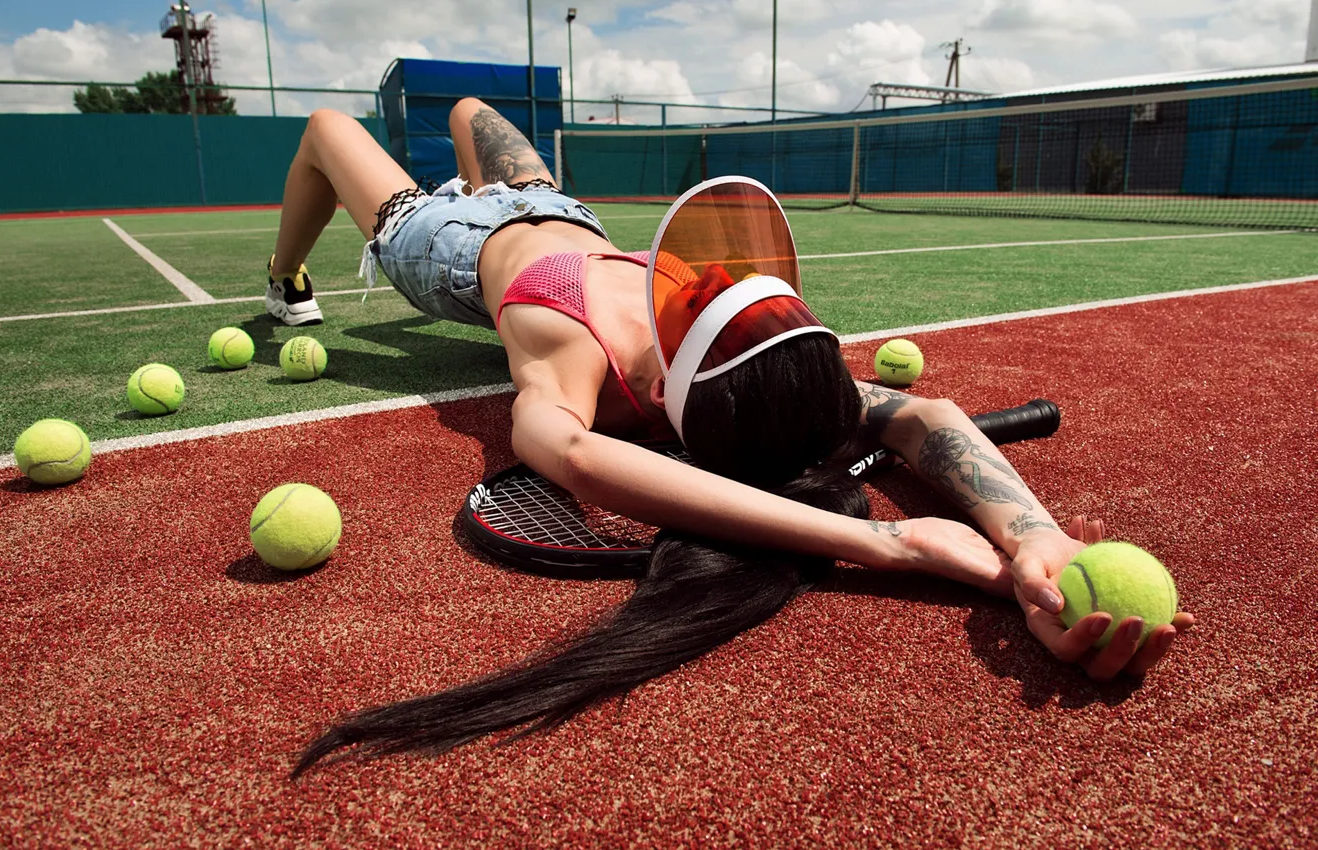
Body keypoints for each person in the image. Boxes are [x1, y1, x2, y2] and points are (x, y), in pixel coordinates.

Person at [268, 100, 1194, 775]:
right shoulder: (753, 363)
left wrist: (888, 543)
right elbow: (922, 416)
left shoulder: (566, 355)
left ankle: (285, 279)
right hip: (566, 214)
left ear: (672, 381)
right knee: (472, 110)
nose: (713, 274)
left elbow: (575, 454)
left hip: (454, 244)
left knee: (322, 129)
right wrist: (1036, 536)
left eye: (704, 297)